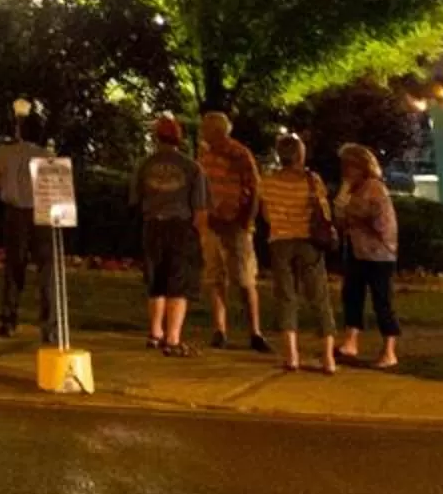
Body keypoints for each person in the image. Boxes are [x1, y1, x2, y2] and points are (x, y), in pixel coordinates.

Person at [256, 133, 336, 375]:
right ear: (300, 155)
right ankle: (328, 357)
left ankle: (291, 355)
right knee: (319, 298)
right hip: (308, 242)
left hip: (280, 241)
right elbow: (325, 214)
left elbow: (266, 215)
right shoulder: (312, 180)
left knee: (286, 297)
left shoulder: (267, 182)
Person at [130, 115, 208, 355]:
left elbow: (135, 199)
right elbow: (200, 208)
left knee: (156, 280)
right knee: (179, 282)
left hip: (152, 225)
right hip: (180, 226)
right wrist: (198, 236)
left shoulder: (143, 165)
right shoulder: (192, 167)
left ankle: (155, 333)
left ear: (156, 137)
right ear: (179, 137)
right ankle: (173, 339)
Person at [195, 111, 268, 353]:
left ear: (216, 131)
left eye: (205, 128)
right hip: (212, 224)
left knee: (245, 280)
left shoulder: (239, 154)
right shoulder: (205, 155)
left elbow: (255, 189)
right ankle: (220, 329)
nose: (202, 132)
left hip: (234, 225)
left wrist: (246, 220)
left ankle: (254, 331)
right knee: (216, 277)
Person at [333, 143, 403, 369]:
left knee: (382, 301)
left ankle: (389, 350)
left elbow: (374, 220)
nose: (345, 171)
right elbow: (342, 217)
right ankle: (351, 341)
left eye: (349, 166)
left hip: (379, 254)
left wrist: (350, 212)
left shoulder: (374, 188)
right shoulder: (353, 188)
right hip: (357, 250)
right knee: (352, 296)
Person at [0, 107, 47, 339]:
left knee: (14, 268)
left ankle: (8, 319)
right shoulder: (45, 156)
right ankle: (49, 326)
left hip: (14, 214)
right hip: (40, 215)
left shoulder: (3, 152)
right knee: (46, 269)